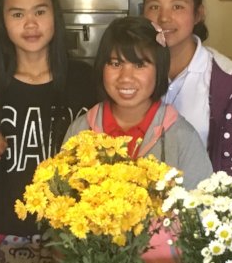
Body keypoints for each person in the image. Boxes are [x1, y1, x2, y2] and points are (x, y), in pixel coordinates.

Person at [0, 0, 96, 263]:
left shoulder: (86, 82)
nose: (31, 24)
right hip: (1, 233)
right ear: (3, 22)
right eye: (17, 14)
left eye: (40, 12)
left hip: (74, 231)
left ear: (55, 17)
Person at [64, 15, 212, 188]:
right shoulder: (81, 131)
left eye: (140, 65)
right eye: (115, 63)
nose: (126, 78)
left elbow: (202, 207)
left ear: (160, 69)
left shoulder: (182, 137)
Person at [142, 0, 232, 184]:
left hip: (200, 208)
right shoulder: (130, 70)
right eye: (154, 6)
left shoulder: (225, 79)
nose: (164, 18)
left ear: (198, 14)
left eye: (177, 7)